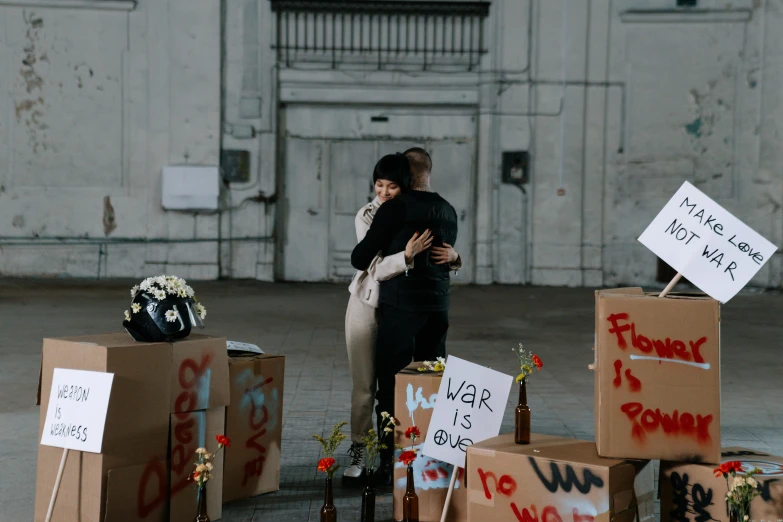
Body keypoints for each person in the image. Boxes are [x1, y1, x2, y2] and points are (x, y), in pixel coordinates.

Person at [350, 147, 461, 483]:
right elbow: (445, 258)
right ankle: (431, 462)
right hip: (438, 309)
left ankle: (386, 464)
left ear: (406, 178)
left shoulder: (395, 210)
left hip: (399, 309)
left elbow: (361, 258)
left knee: (389, 386)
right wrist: (454, 257)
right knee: (432, 384)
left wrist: (410, 255)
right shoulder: (448, 210)